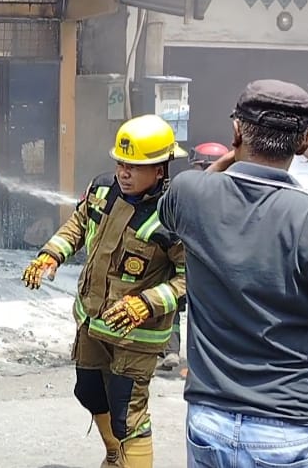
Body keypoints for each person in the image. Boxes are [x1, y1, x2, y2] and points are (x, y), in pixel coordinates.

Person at [158, 79, 308, 467]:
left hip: (209, 421)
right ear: (303, 141)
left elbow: (183, 200)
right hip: (292, 427)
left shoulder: (190, 194)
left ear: (235, 131)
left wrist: (233, 155)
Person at [22, 114, 187, 468]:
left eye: (134, 167)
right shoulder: (102, 189)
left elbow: (194, 278)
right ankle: (115, 455)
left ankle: (130, 457)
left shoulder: (173, 215)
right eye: (120, 163)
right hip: (92, 320)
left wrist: (148, 303)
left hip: (136, 334)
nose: (123, 173)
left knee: (128, 412)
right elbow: (79, 223)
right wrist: (52, 254)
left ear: (159, 169)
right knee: (90, 391)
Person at [157, 141, 229, 373]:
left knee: (175, 309)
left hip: (188, 258)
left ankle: (173, 353)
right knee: (198, 310)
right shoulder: (231, 191)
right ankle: (195, 358)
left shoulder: (188, 189)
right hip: (206, 262)